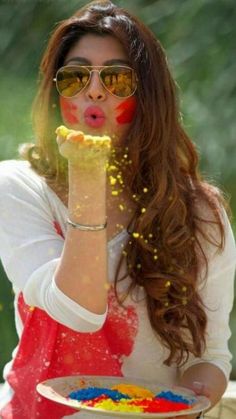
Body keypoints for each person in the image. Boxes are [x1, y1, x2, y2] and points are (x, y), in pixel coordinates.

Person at [0, 1, 235, 418]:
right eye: (74, 77)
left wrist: (189, 400)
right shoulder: (19, 187)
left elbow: (211, 354)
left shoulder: (198, 213)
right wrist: (88, 171)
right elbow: (79, 311)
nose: (93, 90)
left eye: (116, 77)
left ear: (148, 96)